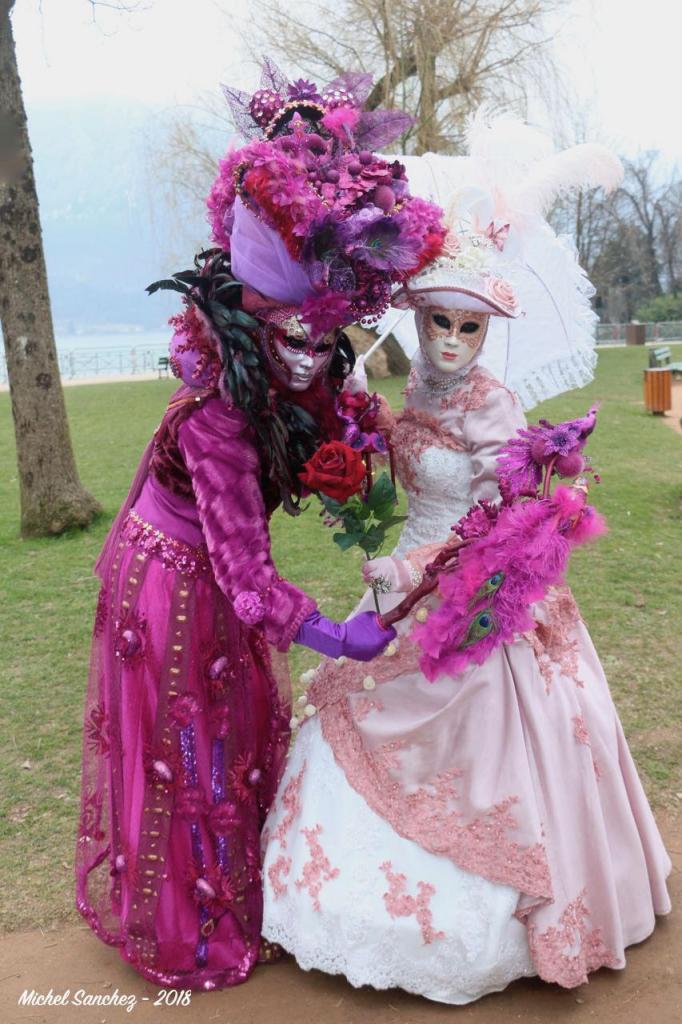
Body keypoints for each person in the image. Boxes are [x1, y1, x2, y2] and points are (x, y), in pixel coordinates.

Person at [260, 127, 671, 1003]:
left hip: (478, 593)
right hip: (405, 566)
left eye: (468, 325)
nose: (451, 340)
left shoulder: (496, 406)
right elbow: (404, 483)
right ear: (417, 321)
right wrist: (358, 463)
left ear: (489, 328)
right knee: (362, 700)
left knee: (500, 736)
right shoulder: (410, 393)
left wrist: (415, 576)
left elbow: (495, 522)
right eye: (438, 321)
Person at [74, 59, 446, 990]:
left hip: (218, 574)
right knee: (191, 743)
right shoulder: (217, 421)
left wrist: (356, 462)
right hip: (171, 575)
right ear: (250, 322)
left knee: (235, 733)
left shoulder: (301, 380)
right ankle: (189, 925)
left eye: (325, 339)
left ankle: (239, 890)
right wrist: (338, 635)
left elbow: (327, 452)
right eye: (293, 335)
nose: (310, 355)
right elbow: (248, 579)